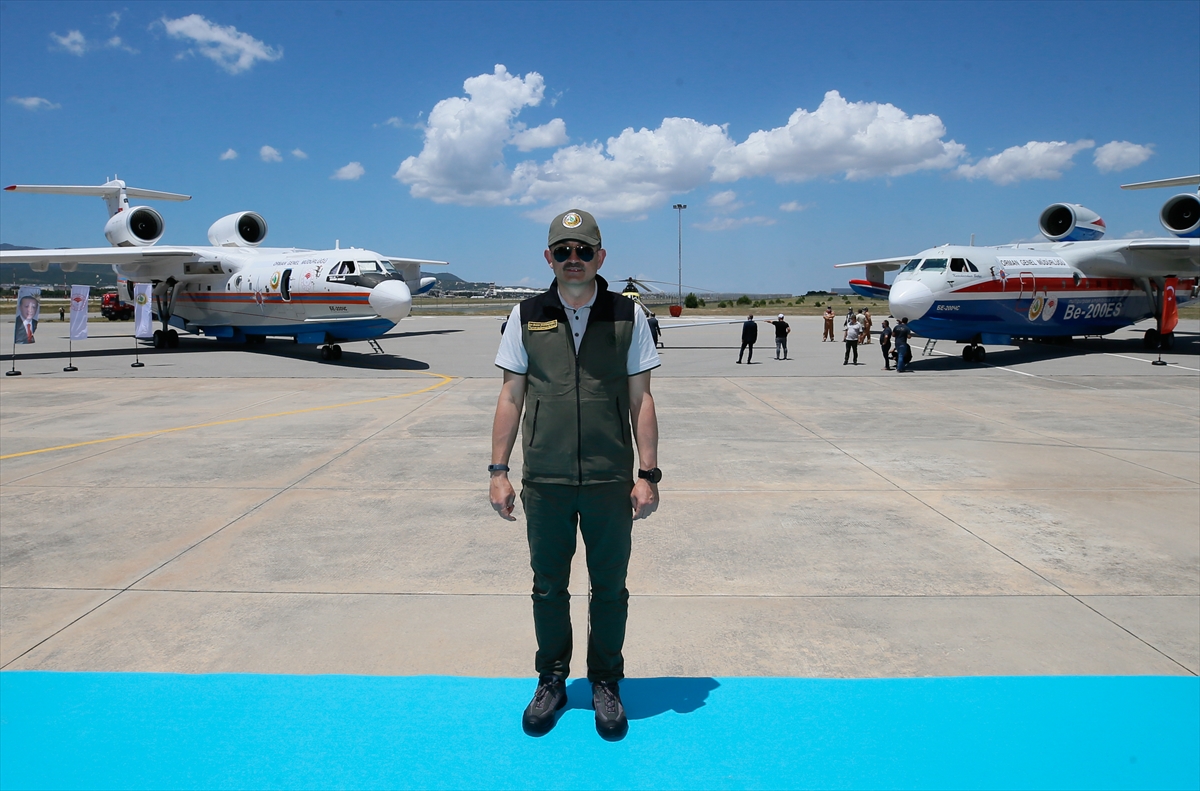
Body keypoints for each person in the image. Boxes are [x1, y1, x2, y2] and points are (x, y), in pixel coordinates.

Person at [490, 208, 661, 742]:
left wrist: (648, 473)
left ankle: (606, 682)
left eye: (583, 250)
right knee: (548, 588)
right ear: (549, 257)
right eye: (563, 251)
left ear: (600, 256)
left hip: (611, 479)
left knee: (610, 587)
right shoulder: (525, 315)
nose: (573, 259)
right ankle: (553, 681)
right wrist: (499, 470)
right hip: (546, 478)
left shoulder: (628, 316)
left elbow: (642, 399)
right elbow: (510, 396)